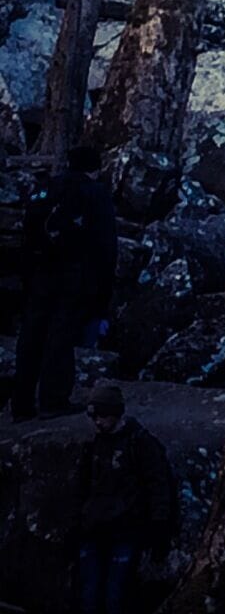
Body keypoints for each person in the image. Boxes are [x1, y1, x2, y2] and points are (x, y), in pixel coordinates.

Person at [11, 144, 118, 421]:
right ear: (95, 167)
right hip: (75, 274)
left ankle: (21, 402)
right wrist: (102, 299)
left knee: (32, 334)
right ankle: (52, 400)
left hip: (40, 273)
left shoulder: (45, 189)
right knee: (60, 335)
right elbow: (106, 247)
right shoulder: (95, 194)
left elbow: (27, 237)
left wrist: (27, 278)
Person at [68, 385, 178, 614]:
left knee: (115, 600)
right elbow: (81, 485)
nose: (97, 422)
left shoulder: (140, 444)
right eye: (94, 417)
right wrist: (76, 521)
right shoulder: (93, 444)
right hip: (93, 530)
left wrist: (159, 527)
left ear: (116, 414)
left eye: (102, 416)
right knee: (88, 599)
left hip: (125, 532)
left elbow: (158, 485)